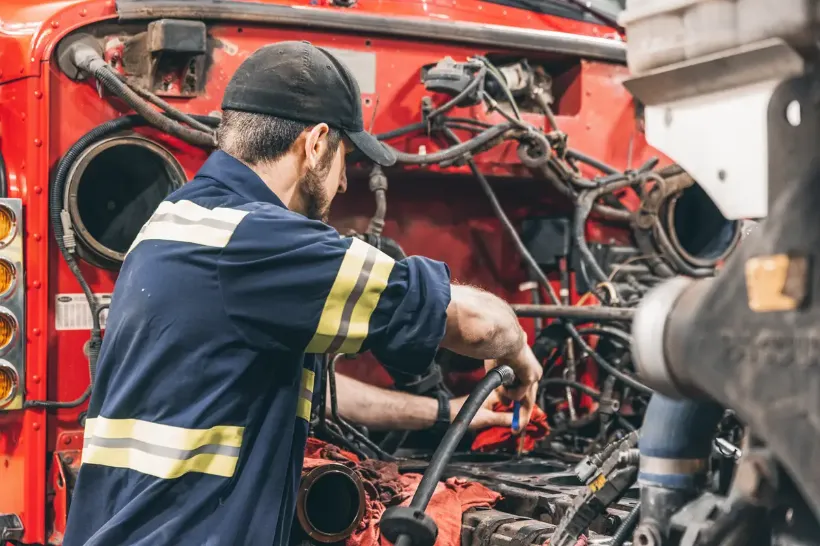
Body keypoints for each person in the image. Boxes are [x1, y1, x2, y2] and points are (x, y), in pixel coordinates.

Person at [63, 41, 542, 546]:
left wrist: (450, 413)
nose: (340, 187)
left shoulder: (182, 220)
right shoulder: (255, 241)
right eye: (345, 160)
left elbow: (309, 391)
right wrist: (519, 354)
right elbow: (477, 323)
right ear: (315, 144)